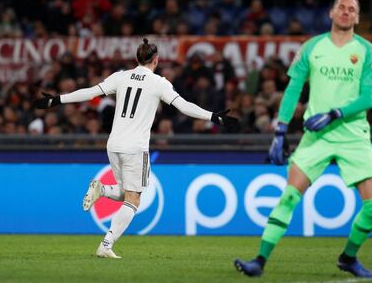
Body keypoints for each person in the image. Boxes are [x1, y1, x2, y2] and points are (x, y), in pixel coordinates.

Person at [34, 38, 238, 259]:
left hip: (113, 144)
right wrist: (213, 116)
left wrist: (56, 100)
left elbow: (90, 92)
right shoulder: (159, 82)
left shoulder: (120, 77)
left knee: (126, 192)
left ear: (137, 59)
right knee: (134, 199)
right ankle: (106, 244)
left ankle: (101, 190)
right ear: (156, 60)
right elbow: (183, 106)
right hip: (135, 147)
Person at [234, 0, 372, 278]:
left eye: (352, 9)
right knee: (289, 197)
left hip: (353, 136)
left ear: (358, 18)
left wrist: (335, 113)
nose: (346, 12)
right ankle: (259, 262)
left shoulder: (367, 51)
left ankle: (348, 258)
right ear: (331, 12)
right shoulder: (312, 47)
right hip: (316, 138)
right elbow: (293, 89)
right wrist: (279, 129)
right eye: (341, 6)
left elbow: (368, 98)